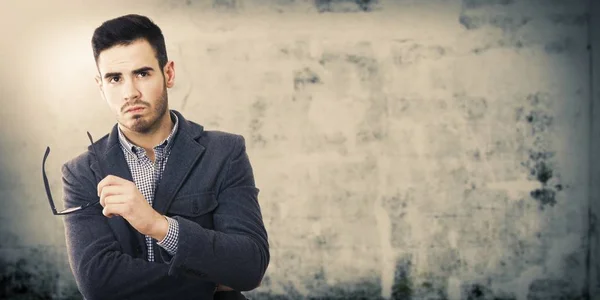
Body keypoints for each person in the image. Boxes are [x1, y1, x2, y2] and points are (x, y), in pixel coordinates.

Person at [61, 14, 269, 300]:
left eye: (142, 73)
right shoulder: (82, 172)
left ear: (168, 74)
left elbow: (249, 266)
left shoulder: (225, 152)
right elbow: (99, 284)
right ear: (101, 86)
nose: (129, 92)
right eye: (115, 78)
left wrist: (158, 226)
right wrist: (209, 285)